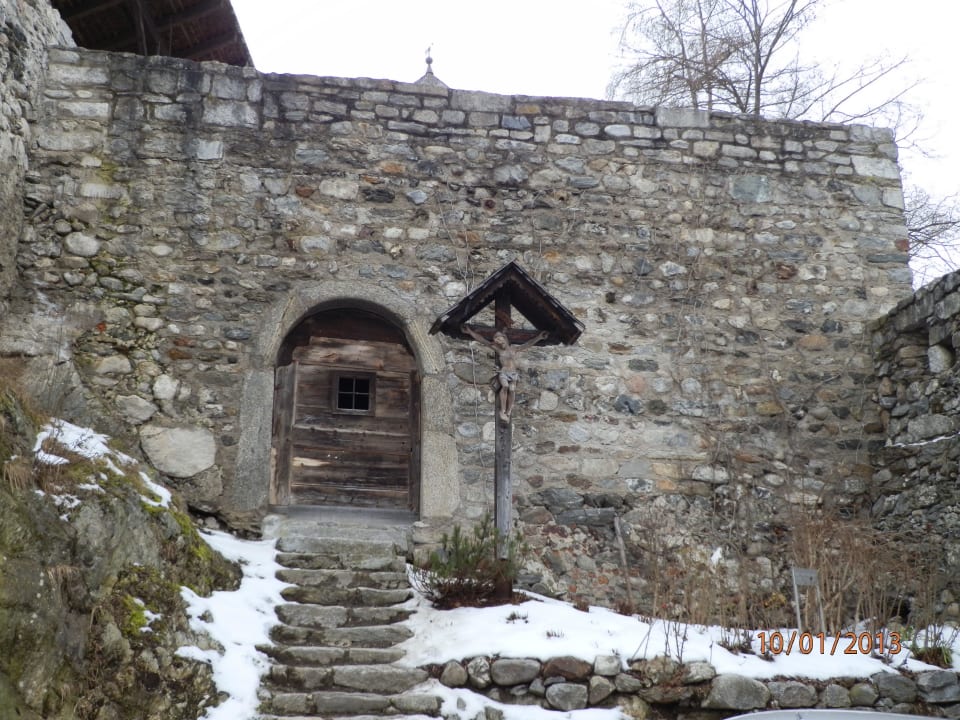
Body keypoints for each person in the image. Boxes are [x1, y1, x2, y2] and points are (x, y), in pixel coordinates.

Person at [461, 325, 548, 421]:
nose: (499, 342)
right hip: (504, 373)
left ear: (505, 339)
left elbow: (528, 344)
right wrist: (470, 332)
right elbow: (482, 340)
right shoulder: (498, 350)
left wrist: (539, 337)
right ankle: (502, 410)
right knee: (505, 386)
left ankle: (508, 411)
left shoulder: (514, 349)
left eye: (500, 340)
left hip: (513, 373)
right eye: (497, 341)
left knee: (512, 390)